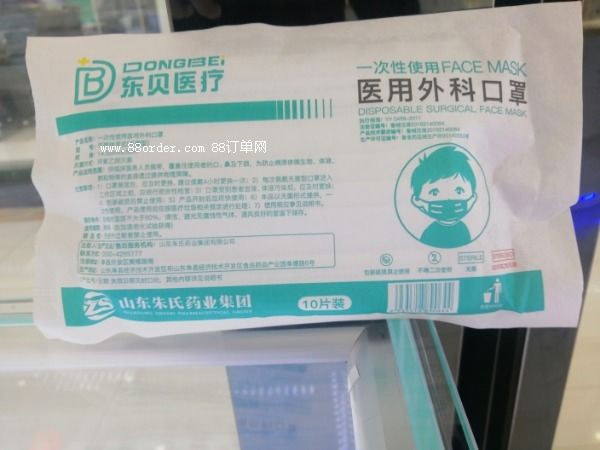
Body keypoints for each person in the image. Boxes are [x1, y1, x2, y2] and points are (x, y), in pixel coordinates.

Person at [410, 145, 478, 248]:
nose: (448, 200)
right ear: (418, 201)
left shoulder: (464, 230)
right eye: (434, 193)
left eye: (459, 191)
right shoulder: (430, 234)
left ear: (473, 198)